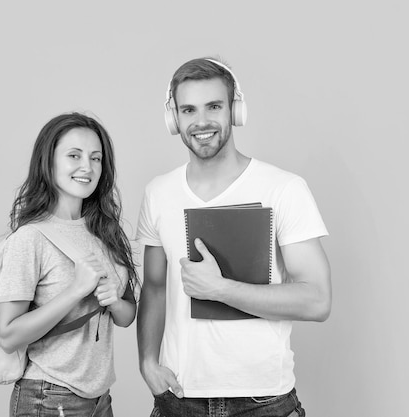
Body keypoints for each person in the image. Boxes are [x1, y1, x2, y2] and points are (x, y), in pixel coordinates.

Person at [136, 57, 331, 417]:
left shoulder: (284, 188)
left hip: (264, 401)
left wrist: (220, 289)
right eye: (188, 109)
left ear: (235, 111)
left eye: (214, 106)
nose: (201, 121)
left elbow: (317, 300)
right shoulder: (158, 193)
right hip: (178, 398)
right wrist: (147, 361)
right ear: (174, 119)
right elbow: (154, 286)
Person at [0, 112, 138, 417]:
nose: (87, 167)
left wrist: (114, 301)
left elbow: (126, 317)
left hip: (99, 397)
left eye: (96, 158)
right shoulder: (31, 238)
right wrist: (74, 291)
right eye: (74, 155)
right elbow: (8, 336)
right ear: (49, 162)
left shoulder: (105, 230)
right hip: (48, 395)